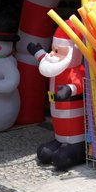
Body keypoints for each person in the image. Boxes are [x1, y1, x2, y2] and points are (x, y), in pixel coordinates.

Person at [27, 20, 86, 170]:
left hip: (76, 133)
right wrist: (36, 51)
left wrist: (69, 89)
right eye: (52, 49)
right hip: (59, 124)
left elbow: (79, 83)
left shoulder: (75, 70)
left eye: (57, 51)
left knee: (62, 159)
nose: (52, 54)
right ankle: (59, 140)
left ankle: (76, 147)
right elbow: (45, 59)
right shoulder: (54, 64)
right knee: (45, 153)